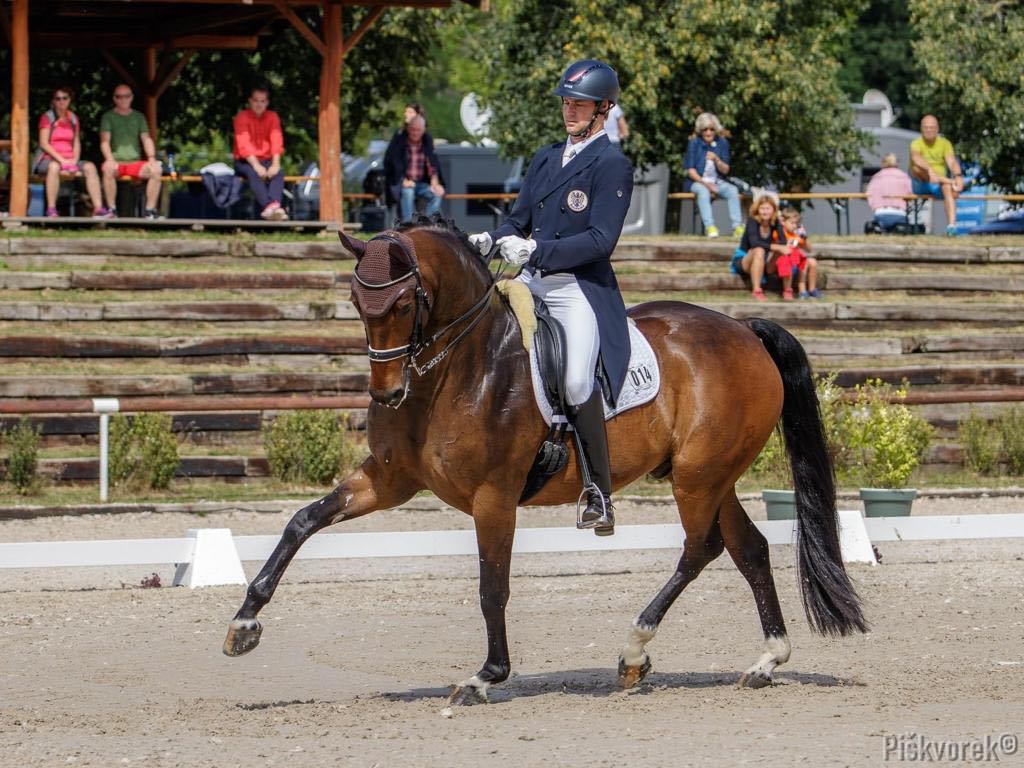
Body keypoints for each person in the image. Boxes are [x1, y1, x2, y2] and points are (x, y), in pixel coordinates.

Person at [466, 59, 633, 535]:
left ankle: (599, 493)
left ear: (603, 109)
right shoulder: (544, 158)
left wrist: (540, 248)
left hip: (578, 288)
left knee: (578, 381)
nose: (569, 110)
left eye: (578, 103)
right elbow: (517, 221)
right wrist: (491, 240)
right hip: (531, 282)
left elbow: (602, 240)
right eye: (566, 102)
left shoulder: (612, 164)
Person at [33, 86, 112, 218]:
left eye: (65, 98)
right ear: (53, 101)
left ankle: (98, 208)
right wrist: (62, 160)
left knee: (90, 167)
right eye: (58, 98)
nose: (61, 101)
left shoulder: (74, 118)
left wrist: (74, 160)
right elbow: (44, 143)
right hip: (49, 159)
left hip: (70, 159)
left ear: (70, 100)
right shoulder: (47, 117)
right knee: (54, 167)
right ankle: (51, 209)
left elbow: (76, 141)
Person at [99, 84, 163, 219]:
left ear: (131, 97)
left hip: (135, 163)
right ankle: (112, 210)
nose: (123, 99)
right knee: (107, 169)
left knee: (156, 170)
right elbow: (105, 142)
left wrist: (151, 157)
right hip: (117, 162)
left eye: (126, 96)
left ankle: (149, 211)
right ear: (114, 99)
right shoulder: (108, 117)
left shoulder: (139, 117)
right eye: (119, 96)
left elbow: (146, 139)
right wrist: (110, 159)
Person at [233, 84, 288, 221]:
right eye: (256, 100)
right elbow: (243, 144)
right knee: (253, 173)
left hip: (266, 159)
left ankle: (273, 205)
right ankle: (270, 206)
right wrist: (257, 166)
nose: (259, 104)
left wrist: (275, 164)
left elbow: (276, 140)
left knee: (279, 172)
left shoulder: (272, 117)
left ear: (267, 103)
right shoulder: (242, 117)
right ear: (250, 101)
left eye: (262, 101)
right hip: (246, 161)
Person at [684, 112, 743, 238]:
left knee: (733, 191)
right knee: (703, 192)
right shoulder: (694, 143)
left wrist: (717, 160)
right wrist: (706, 184)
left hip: (717, 181)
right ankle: (710, 227)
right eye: (705, 129)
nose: (708, 132)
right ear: (700, 130)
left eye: (711, 129)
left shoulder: (722, 143)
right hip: (698, 182)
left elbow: (726, 170)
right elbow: (690, 171)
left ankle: (737, 226)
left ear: (715, 130)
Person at [383, 114, 445, 221]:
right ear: (408, 128)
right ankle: (409, 226)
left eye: (418, 130)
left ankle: (427, 225)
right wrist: (402, 180)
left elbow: (433, 163)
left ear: (423, 130)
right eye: (412, 129)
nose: (415, 133)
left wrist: (435, 182)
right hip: (403, 182)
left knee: (436, 195)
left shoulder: (427, 140)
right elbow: (392, 162)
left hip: (422, 183)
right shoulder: (400, 139)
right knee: (408, 192)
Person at [910, 115, 964, 236]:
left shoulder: (945, 144)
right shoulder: (916, 143)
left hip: (938, 184)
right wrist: (930, 170)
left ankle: (951, 227)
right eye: (926, 127)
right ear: (921, 129)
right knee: (917, 168)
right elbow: (916, 158)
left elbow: (952, 162)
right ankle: (949, 182)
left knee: (947, 188)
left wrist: (958, 175)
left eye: (931, 127)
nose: (928, 130)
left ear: (937, 129)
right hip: (921, 182)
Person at [733, 193, 788, 302]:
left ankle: (787, 289)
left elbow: (783, 242)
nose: (765, 211)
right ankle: (757, 290)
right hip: (744, 258)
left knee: (780, 251)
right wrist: (776, 247)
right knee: (759, 250)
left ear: (773, 210)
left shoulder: (775, 222)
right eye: (762, 208)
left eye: (768, 208)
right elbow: (754, 243)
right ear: (757, 209)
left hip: (764, 260)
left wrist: (781, 226)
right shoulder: (752, 221)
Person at [866, 153, 914, 233]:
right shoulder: (903, 176)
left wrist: (874, 206)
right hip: (899, 213)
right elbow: (910, 194)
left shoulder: (876, 177)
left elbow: (869, 194)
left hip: (880, 212)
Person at [778, 207, 820, 299]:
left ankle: (811, 289)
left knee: (812, 262)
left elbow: (809, 249)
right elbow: (783, 247)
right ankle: (800, 289)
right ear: (783, 222)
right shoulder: (780, 232)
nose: (794, 226)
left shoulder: (797, 234)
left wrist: (805, 238)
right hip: (785, 263)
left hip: (797, 263)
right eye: (792, 223)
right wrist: (791, 242)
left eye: (796, 223)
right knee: (799, 261)